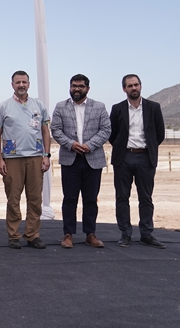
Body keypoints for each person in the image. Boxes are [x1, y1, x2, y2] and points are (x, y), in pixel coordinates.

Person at [51, 74, 111, 249]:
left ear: (87, 88)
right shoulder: (60, 107)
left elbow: (106, 129)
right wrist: (71, 144)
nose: (77, 89)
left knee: (91, 199)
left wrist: (89, 145)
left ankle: (90, 234)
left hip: (93, 159)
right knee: (70, 198)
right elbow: (55, 129)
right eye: (73, 86)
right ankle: (68, 235)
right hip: (71, 159)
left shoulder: (99, 107)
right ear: (70, 87)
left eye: (80, 86)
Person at [0, 70, 51, 250]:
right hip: (12, 158)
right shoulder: (3, 107)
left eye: (24, 82)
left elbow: (45, 131)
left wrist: (46, 155)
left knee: (35, 199)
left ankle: (33, 235)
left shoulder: (39, 106)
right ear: (12, 85)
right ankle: (14, 235)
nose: (21, 85)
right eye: (18, 82)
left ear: (29, 84)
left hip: (35, 158)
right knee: (13, 199)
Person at [109, 74, 166, 249]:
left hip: (145, 158)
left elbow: (159, 134)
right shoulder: (117, 108)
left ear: (141, 86)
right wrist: (122, 148)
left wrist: (146, 149)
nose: (133, 88)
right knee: (122, 197)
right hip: (123, 158)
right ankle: (125, 234)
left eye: (136, 85)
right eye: (129, 86)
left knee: (146, 197)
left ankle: (146, 234)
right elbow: (112, 134)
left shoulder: (153, 107)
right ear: (124, 89)